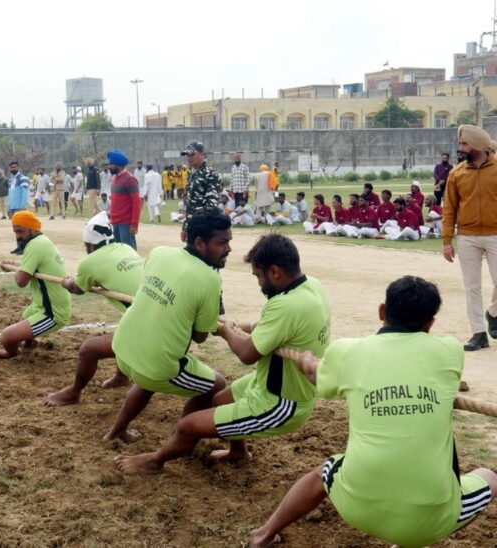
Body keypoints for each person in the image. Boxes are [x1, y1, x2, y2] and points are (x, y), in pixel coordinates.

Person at [247, 276, 496, 548]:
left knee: (324, 471)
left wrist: (308, 363)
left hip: (357, 507)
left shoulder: (347, 352)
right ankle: (410, 539)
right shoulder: (450, 351)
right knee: (489, 477)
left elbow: (319, 380)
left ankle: (263, 535)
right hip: (429, 522)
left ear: (381, 311)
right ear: (430, 323)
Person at [115, 233, 330, 473]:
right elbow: (275, 328)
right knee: (218, 401)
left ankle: (155, 461)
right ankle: (238, 451)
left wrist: (228, 333)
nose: (259, 284)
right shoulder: (310, 286)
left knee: (188, 426)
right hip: (267, 382)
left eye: (258, 276)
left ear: (275, 272)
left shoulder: (285, 305)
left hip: (282, 403)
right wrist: (237, 326)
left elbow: (247, 355)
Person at [104, 209, 231, 443]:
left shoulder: (160, 252)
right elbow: (201, 336)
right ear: (200, 243)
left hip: (122, 348)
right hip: (155, 364)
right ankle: (177, 439)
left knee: (149, 373)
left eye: (229, 241)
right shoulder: (210, 279)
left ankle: (116, 431)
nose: (228, 249)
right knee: (217, 385)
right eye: (222, 242)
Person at [43, 212, 144, 407]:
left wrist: (67, 283)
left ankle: (73, 393)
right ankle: (121, 376)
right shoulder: (126, 248)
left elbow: (77, 289)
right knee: (126, 323)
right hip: (151, 311)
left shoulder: (90, 262)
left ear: (89, 245)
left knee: (88, 350)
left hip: (148, 324)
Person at [443, 124, 497, 351]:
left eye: (464, 143)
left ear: (478, 145)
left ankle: (493, 313)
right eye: (460, 143)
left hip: (496, 234)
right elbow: (449, 208)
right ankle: (478, 333)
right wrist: (447, 241)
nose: (460, 147)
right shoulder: (456, 173)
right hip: (467, 237)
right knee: (472, 287)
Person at [0, 211, 71, 359]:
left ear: (34, 229)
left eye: (21, 231)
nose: (18, 236)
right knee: (25, 316)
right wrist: (13, 265)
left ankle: (13, 353)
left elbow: (21, 281)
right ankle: (30, 343)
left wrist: (14, 270)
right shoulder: (41, 241)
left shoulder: (35, 245)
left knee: (7, 337)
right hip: (40, 306)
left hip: (52, 313)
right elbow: (32, 266)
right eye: (15, 232)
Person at [182, 142, 222, 225]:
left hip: (204, 226)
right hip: (192, 225)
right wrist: (186, 226)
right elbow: (189, 205)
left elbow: (212, 205)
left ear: (203, 154)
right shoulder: (192, 175)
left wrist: (201, 229)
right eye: (187, 155)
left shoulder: (210, 174)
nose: (189, 158)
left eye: (192, 154)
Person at [107, 149, 140, 250]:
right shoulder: (114, 179)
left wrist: (134, 224)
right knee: (118, 252)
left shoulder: (130, 179)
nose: (109, 167)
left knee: (128, 252)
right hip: (114, 222)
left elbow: (136, 203)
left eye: (111, 164)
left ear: (118, 164)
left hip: (125, 224)